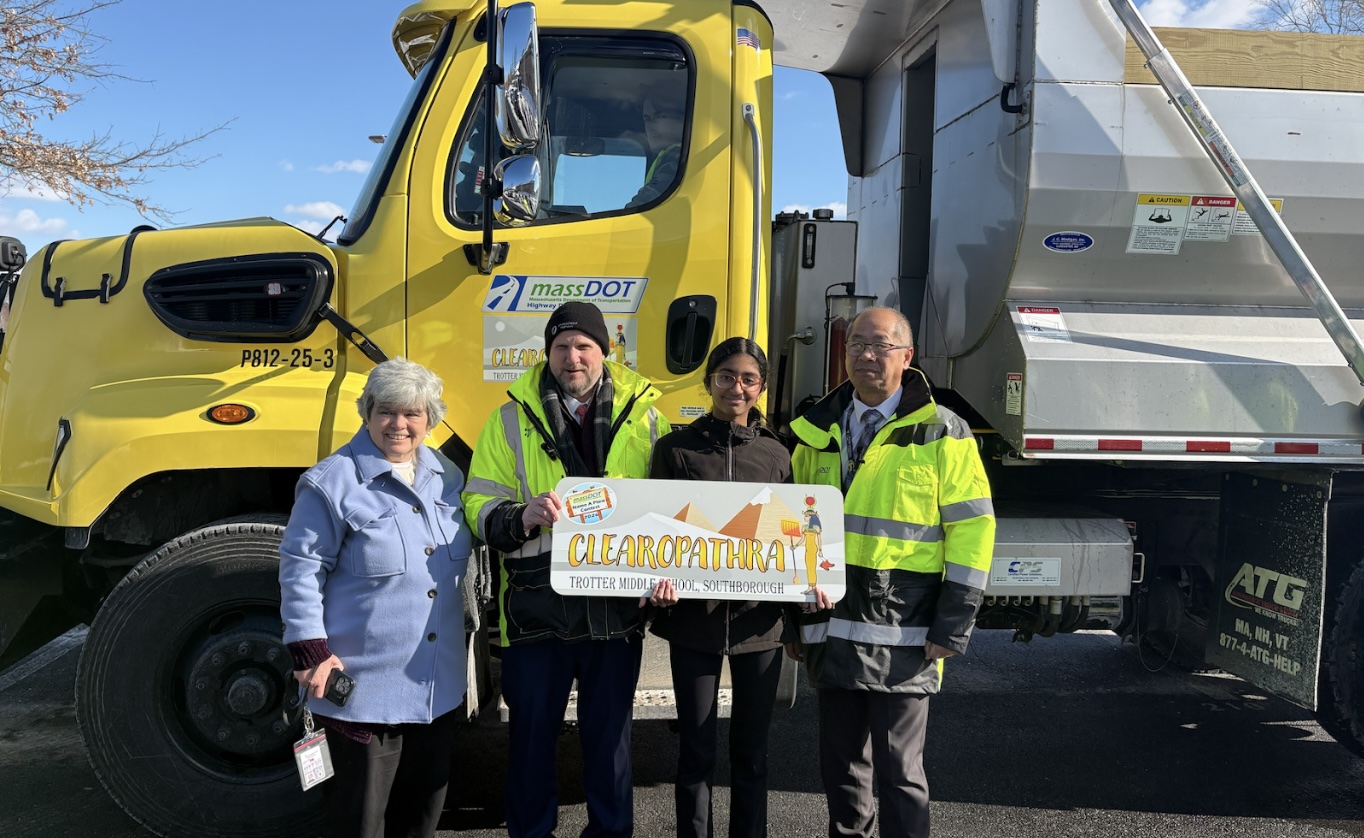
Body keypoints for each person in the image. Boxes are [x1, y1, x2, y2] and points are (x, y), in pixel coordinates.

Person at [463, 300, 668, 838]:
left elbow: (669, 510)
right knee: (530, 739)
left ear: (605, 351)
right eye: (561, 347)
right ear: (547, 354)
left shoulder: (648, 416)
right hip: (535, 608)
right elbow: (477, 504)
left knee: (612, 739)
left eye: (583, 346)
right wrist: (519, 515)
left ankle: (610, 832)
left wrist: (669, 568)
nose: (572, 357)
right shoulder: (507, 418)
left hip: (614, 609)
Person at [787, 306, 995, 838]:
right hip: (830, 624)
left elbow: (972, 532)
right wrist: (793, 620)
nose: (866, 355)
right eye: (856, 344)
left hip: (907, 626)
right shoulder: (815, 432)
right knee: (842, 770)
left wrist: (953, 625)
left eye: (881, 345)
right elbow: (791, 531)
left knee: (901, 772)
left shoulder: (942, 433)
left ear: (907, 357)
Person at [279, 357, 470, 838]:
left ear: (431, 419)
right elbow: (301, 569)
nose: (399, 425)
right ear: (366, 412)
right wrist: (309, 650)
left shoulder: (447, 476)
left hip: (435, 692)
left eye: (413, 413)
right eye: (386, 411)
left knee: (421, 820)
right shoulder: (332, 482)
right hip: (360, 693)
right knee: (359, 823)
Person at [647, 337, 795, 838]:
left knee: (751, 755)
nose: (737, 387)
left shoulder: (778, 454)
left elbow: (794, 540)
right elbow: (655, 533)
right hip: (693, 622)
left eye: (748, 379)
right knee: (696, 751)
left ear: (762, 388)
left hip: (761, 623)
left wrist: (802, 607)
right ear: (709, 381)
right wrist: (656, 587)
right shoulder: (674, 448)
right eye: (726, 376)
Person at [626, 91, 684, 208]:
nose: (650, 126)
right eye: (647, 119)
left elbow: (645, 203)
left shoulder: (677, 156)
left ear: (682, 119)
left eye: (660, 116)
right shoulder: (668, 155)